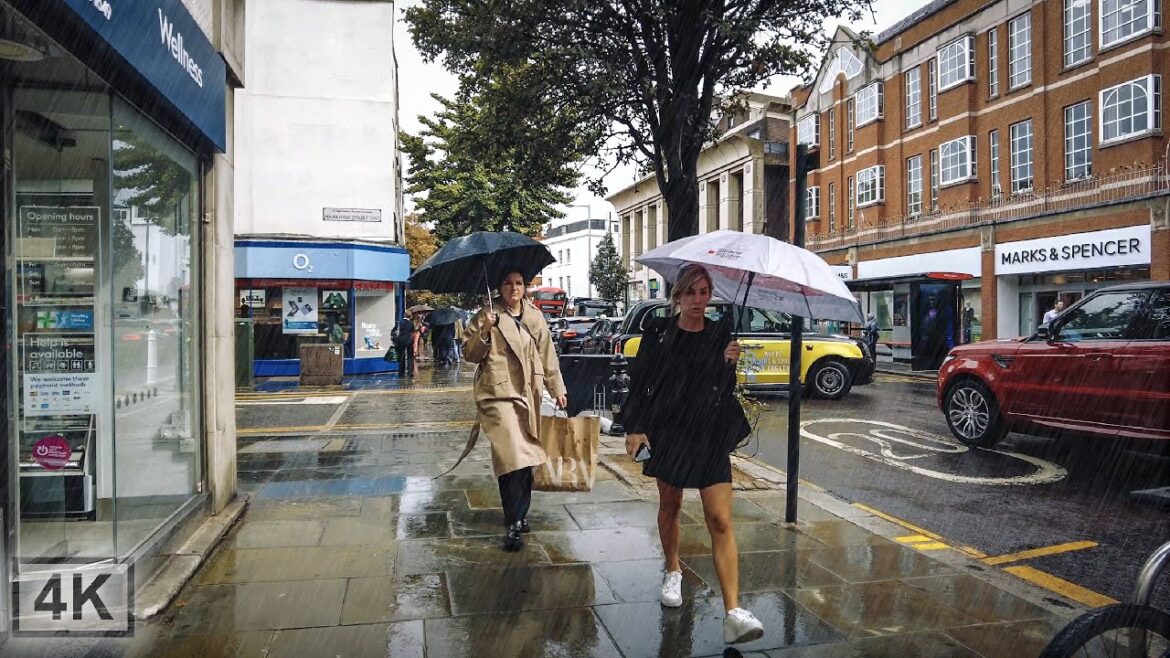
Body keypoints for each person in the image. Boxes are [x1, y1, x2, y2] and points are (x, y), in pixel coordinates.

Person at [621, 264, 764, 645]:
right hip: (671, 430)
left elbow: (721, 388)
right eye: (692, 293)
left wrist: (729, 363)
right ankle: (672, 570)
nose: (699, 300)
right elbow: (641, 381)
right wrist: (634, 426)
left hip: (709, 433)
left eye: (705, 292)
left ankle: (733, 611)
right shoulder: (659, 333)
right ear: (678, 297)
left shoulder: (721, 334)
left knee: (719, 519)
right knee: (671, 505)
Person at [462, 271, 567, 552]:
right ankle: (513, 521)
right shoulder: (487, 314)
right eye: (507, 283)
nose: (513, 288)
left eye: (518, 283)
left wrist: (557, 388)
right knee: (511, 455)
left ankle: (520, 513)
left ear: (525, 287)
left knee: (527, 455)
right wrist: (485, 331)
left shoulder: (535, 316)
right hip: (497, 393)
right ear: (499, 287)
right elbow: (469, 354)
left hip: (528, 393)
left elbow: (548, 353)